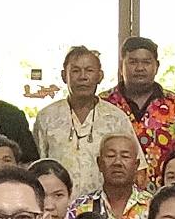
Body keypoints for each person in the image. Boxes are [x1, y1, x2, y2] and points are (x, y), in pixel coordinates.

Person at [33, 46, 136, 199]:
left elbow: (136, 168)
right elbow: (36, 167)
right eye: (75, 71)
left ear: (100, 76)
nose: (83, 77)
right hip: (57, 205)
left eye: (89, 70)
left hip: (103, 206)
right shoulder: (46, 117)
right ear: (64, 76)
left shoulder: (116, 118)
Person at [104, 36, 175, 190]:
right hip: (115, 195)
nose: (140, 68)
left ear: (157, 66)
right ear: (121, 66)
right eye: (133, 62)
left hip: (165, 194)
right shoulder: (104, 104)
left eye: (146, 62)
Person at [74, 133, 151, 219]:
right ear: (99, 163)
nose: (117, 162)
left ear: (136, 165)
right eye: (111, 156)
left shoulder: (153, 206)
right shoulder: (80, 207)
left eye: (125, 156)